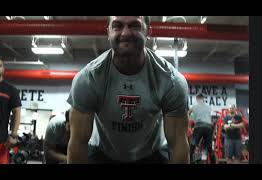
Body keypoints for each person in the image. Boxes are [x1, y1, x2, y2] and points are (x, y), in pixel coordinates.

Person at [67, 16, 189, 164]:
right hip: (102, 153)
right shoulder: (89, 79)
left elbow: (178, 146)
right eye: (118, 26)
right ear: (108, 32)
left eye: (135, 26)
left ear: (148, 32)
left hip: (152, 154)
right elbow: (78, 144)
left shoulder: (171, 80)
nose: (125, 33)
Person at [188, 93, 216, 164]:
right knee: (209, 147)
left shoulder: (194, 105)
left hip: (199, 126)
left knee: (193, 145)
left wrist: (191, 119)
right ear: (203, 99)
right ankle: (213, 162)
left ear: (197, 99)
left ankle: (190, 161)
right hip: (208, 127)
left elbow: (188, 114)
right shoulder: (209, 106)